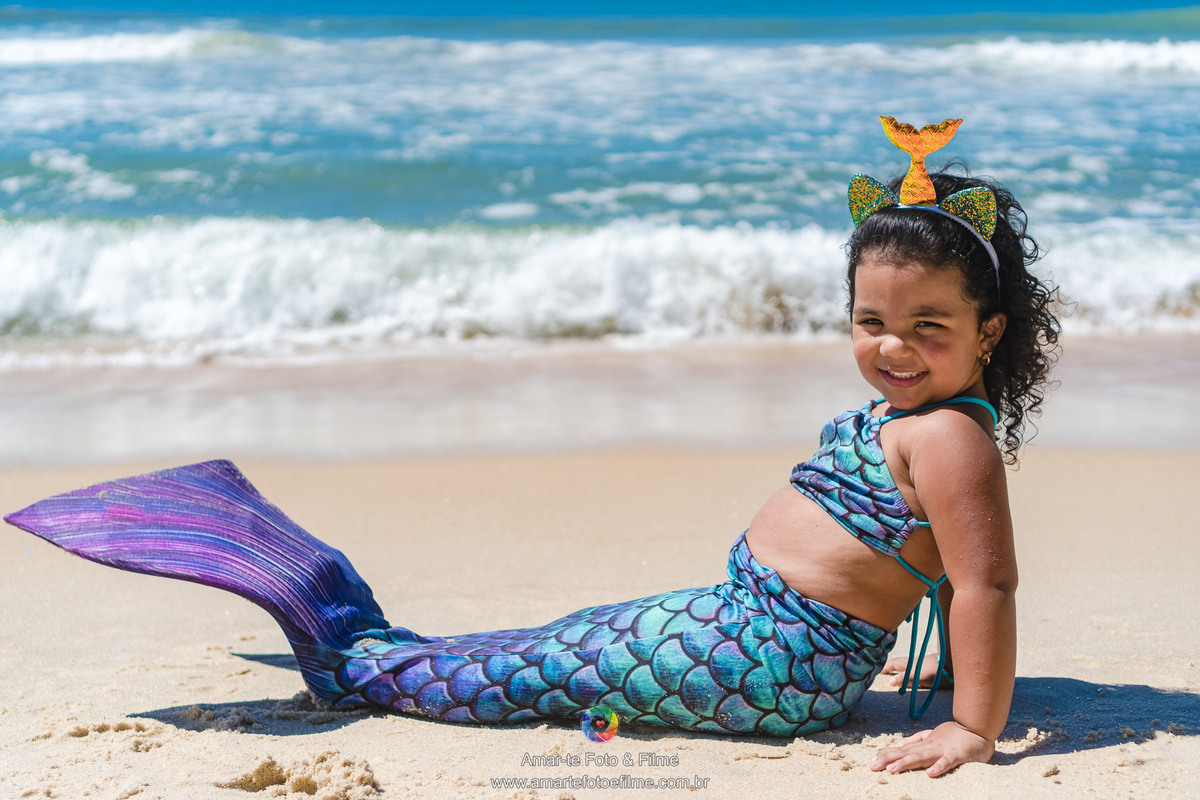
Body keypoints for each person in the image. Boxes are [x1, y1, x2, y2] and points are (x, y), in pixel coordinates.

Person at [5, 116, 1060, 778]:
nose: (895, 347)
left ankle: (364, 665)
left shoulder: (952, 438)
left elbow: (986, 584)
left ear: (988, 332)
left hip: (775, 661)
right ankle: (389, 652)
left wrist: (973, 723)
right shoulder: (902, 416)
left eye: (930, 327)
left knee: (550, 667)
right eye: (874, 321)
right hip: (747, 622)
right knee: (563, 640)